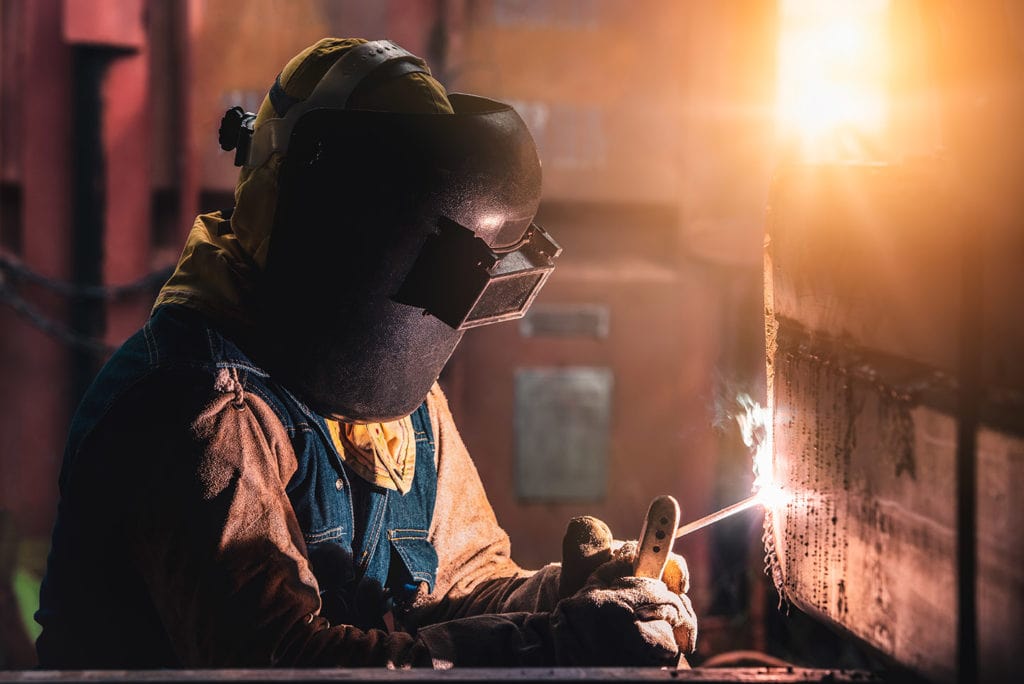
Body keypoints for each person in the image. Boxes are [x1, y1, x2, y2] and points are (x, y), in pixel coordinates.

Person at [35, 38, 697, 669]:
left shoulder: (399, 401)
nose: (417, 292)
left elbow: (467, 590)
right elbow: (279, 664)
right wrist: (550, 645)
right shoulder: (199, 405)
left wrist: (569, 598)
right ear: (324, 221)